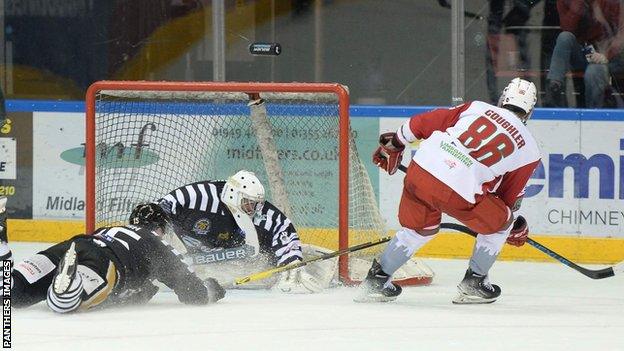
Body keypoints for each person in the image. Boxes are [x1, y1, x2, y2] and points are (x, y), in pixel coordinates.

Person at [356, 78, 541, 304]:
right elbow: (507, 200)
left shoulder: (476, 108)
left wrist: (395, 144)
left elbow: (420, 124)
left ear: (503, 99)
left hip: (420, 170)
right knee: (501, 224)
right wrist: (512, 224)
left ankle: (376, 281)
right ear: (530, 111)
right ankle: (474, 283)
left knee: (418, 230)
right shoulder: (530, 149)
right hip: (460, 192)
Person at [132, 170, 323, 294]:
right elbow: (158, 211)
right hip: (197, 259)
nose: (253, 208)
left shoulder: (263, 214)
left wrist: (292, 263)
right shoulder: (199, 196)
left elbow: (284, 230)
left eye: (255, 203)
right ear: (233, 195)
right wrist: (150, 233)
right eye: (248, 202)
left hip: (236, 261)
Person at [11, 204, 225, 313]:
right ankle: (67, 287)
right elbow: (192, 293)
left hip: (75, 244)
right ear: (159, 229)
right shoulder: (157, 244)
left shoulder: (111, 228)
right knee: (65, 304)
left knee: (15, 293)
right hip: (106, 262)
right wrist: (212, 289)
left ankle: (13, 277)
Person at [545, 0, 624, 108]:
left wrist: (606, 55)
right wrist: (577, 6)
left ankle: (592, 114)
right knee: (565, 37)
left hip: (607, 55)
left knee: (594, 71)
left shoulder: (612, 2)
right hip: (582, 52)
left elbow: (621, 33)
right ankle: (554, 85)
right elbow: (567, 28)